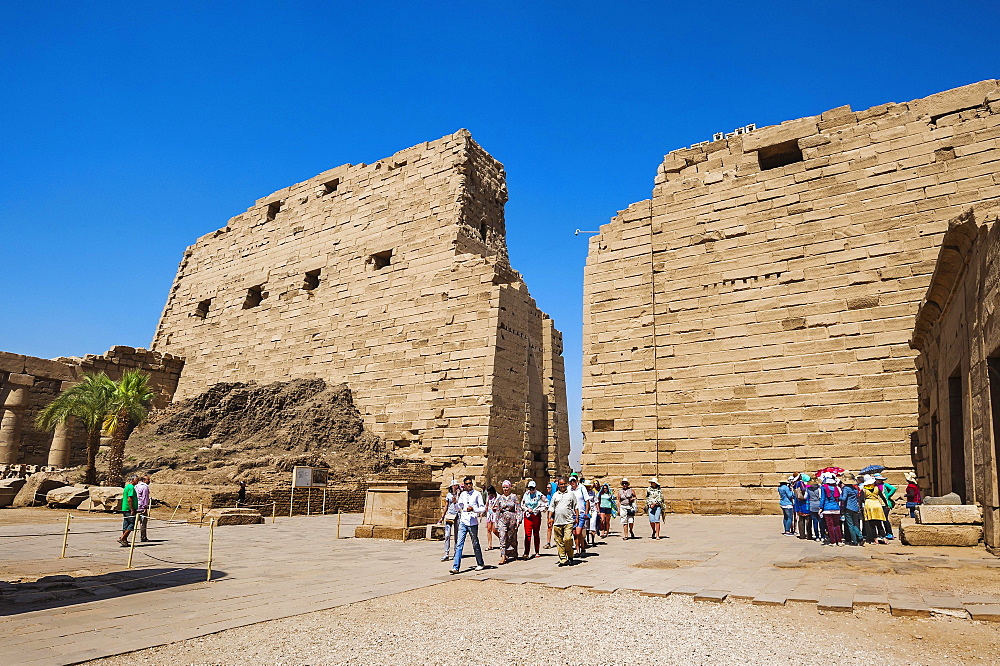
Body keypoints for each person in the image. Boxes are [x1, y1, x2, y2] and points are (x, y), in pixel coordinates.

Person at [450, 476, 486, 574]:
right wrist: (454, 503)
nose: (469, 485)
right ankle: (456, 567)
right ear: (464, 485)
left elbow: (482, 508)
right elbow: (459, 507)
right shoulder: (463, 494)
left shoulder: (477, 494)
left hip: (473, 522)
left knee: (475, 543)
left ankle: (480, 562)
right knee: (459, 544)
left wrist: (474, 509)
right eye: (467, 484)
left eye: (470, 483)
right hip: (463, 521)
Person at [548, 476, 579, 566]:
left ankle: (570, 555)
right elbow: (551, 507)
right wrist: (549, 518)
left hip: (568, 521)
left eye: (564, 484)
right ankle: (562, 559)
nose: (563, 486)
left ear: (567, 484)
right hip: (557, 521)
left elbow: (575, 506)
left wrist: (577, 517)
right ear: (558, 485)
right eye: (561, 484)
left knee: (567, 539)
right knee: (559, 541)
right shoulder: (555, 495)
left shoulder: (570, 494)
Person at [495, 480, 521, 564]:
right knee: (502, 536)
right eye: (504, 487)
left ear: (509, 488)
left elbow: (518, 509)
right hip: (502, 519)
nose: (505, 489)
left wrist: (519, 519)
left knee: (511, 537)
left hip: (512, 519)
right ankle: (503, 555)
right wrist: (496, 522)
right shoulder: (499, 498)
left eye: (507, 487)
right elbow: (497, 510)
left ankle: (513, 553)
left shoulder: (514, 497)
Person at [521, 480, 545, 559]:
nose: (531, 490)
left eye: (532, 488)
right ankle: (526, 552)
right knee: (527, 534)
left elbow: (546, 503)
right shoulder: (526, 494)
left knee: (536, 534)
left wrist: (539, 509)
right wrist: (527, 509)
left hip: (536, 516)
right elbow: (522, 504)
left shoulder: (539, 495)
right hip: (528, 516)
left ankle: (537, 551)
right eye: (530, 488)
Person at [861, 475, 888, 544]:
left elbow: (861, 499)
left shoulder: (864, 490)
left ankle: (875, 539)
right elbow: (882, 497)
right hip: (877, 505)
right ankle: (884, 538)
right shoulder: (877, 488)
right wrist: (887, 505)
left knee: (872, 524)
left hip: (869, 505)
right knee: (879, 523)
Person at [439, 480, 461, 561]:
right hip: (449, 515)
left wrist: (457, 497)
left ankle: (456, 552)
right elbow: (446, 506)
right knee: (447, 535)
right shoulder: (448, 495)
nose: (455, 487)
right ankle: (446, 553)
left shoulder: (460, 495)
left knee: (456, 535)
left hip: (457, 515)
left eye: (456, 485)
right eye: (454, 485)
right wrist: (442, 516)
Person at [840, 473, 863, 546]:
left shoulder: (846, 489)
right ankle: (860, 537)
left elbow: (843, 498)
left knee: (850, 525)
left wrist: (837, 496)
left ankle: (855, 540)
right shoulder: (855, 489)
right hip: (855, 508)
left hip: (848, 508)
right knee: (855, 524)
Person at [819, 473, 842, 546]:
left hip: (827, 508)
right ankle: (839, 541)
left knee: (830, 525)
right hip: (836, 508)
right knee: (837, 525)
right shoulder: (836, 487)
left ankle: (833, 541)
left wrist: (820, 508)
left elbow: (822, 498)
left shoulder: (824, 487)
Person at [569, 475, 590, 554]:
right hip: (572, 514)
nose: (573, 483)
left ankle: (583, 547)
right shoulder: (568, 490)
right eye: (571, 481)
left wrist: (586, 512)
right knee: (574, 533)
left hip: (581, 513)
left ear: (576, 481)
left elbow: (587, 500)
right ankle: (578, 550)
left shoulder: (582, 488)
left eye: (574, 481)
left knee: (578, 532)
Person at [119, 474, 139, 547]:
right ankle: (123, 537)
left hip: (125, 508)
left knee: (126, 524)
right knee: (132, 523)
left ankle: (125, 540)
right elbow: (129, 498)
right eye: (137, 480)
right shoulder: (131, 487)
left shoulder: (127, 486)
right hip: (128, 509)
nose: (138, 481)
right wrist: (132, 509)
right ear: (133, 480)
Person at [874, 473, 897, 539]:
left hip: (885, 504)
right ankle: (881, 533)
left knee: (885, 519)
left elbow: (893, 489)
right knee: (878, 519)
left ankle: (889, 533)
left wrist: (888, 495)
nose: (879, 481)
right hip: (877, 504)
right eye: (878, 479)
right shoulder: (874, 485)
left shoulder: (884, 485)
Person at [792, 474, 812, 539]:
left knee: (801, 520)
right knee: (808, 520)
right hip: (806, 504)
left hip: (799, 504)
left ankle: (802, 535)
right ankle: (809, 535)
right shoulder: (807, 485)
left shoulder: (796, 484)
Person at [136, 474, 151, 542]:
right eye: (148, 480)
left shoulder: (136, 486)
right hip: (141, 506)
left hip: (136, 505)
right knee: (143, 522)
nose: (149, 481)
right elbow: (145, 498)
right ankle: (143, 537)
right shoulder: (145, 487)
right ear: (144, 480)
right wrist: (145, 507)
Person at [484, 486, 498, 550]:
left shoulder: (498, 497)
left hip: (495, 514)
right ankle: (489, 545)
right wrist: (483, 511)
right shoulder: (489, 497)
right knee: (489, 529)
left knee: (494, 530)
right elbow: (487, 505)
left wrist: (496, 508)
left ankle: (502, 539)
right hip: (489, 514)